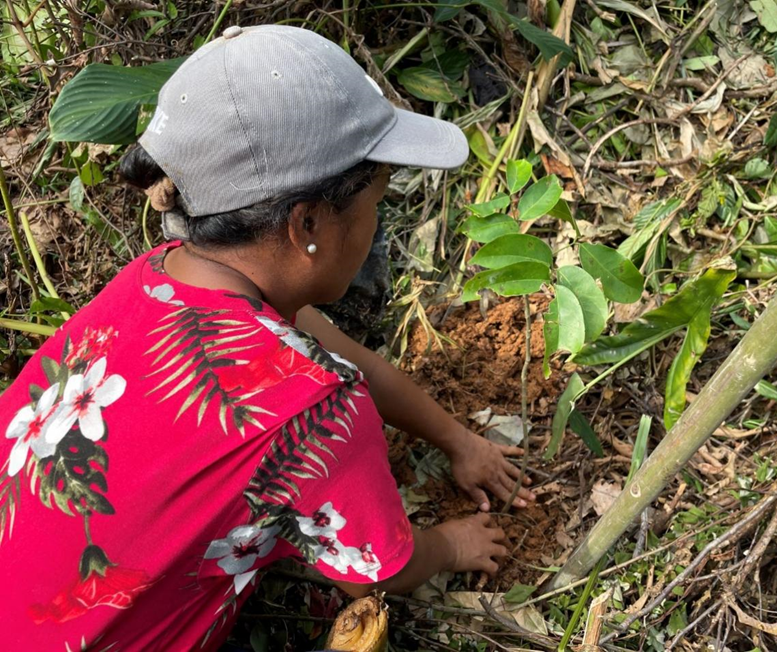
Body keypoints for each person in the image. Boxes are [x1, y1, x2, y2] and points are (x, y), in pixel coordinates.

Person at [0, 24, 536, 650]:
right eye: (374, 205)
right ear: (307, 223)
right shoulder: (314, 413)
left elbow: (330, 348)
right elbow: (378, 571)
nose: (375, 225)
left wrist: (455, 438)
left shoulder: (159, 277)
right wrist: (451, 545)